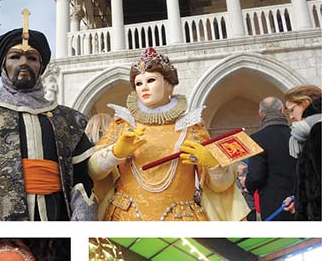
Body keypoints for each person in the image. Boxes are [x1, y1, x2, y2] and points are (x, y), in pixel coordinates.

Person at [0, 18, 93, 221]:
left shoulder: (67, 119)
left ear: (41, 67)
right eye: (15, 57)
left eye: (32, 58)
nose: (24, 63)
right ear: (3, 64)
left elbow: (83, 179)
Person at [89, 47, 246, 221]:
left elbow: (220, 187)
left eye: (151, 80)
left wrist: (212, 163)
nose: (144, 88)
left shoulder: (192, 127)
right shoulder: (122, 123)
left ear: (168, 84)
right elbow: (94, 172)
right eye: (139, 83)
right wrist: (115, 153)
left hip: (180, 220)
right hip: (125, 217)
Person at [244, 97, 296, 221]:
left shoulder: (257, 138)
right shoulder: (295, 134)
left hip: (274, 203)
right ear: (282, 111)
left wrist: (248, 186)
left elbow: (256, 175)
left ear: (261, 114)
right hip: (299, 199)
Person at [282, 84, 321, 221]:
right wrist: (297, 199)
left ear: (305, 103)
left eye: (292, 110)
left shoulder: (318, 131)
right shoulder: (309, 134)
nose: (291, 117)